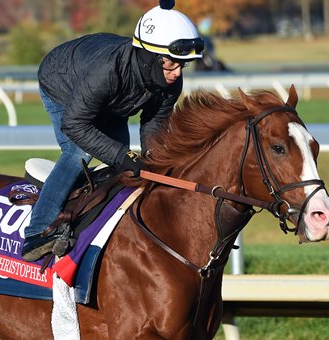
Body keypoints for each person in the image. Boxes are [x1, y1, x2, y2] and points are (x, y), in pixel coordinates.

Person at [21, 0, 204, 262]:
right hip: (62, 84)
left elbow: (154, 124)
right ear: (149, 57)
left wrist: (154, 162)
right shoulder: (106, 72)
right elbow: (74, 123)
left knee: (124, 166)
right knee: (79, 152)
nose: (176, 73)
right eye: (170, 64)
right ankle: (37, 232)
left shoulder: (167, 79)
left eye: (181, 65)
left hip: (111, 99)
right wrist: (123, 156)